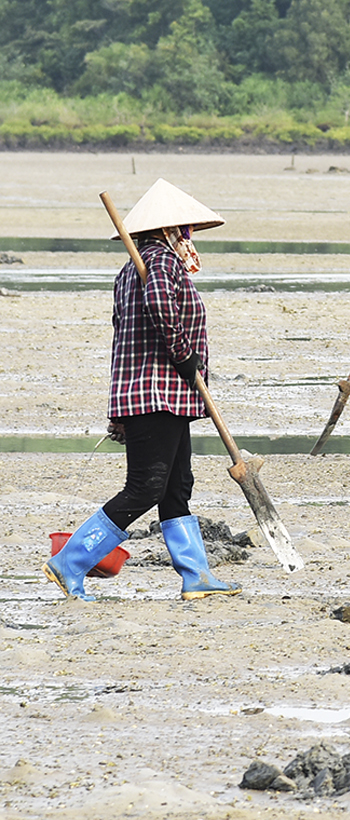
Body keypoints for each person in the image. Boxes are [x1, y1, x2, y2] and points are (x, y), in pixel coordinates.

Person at [43, 179, 241, 602]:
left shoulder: (132, 268)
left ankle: (196, 576)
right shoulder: (160, 265)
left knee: (177, 485)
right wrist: (184, 354)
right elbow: (159, 308)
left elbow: (122, 336)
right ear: (172, 231)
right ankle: (70, 562)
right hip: (157, 393)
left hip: (160, 394)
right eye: (184, 231)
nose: (188, 238)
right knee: (146, 487)